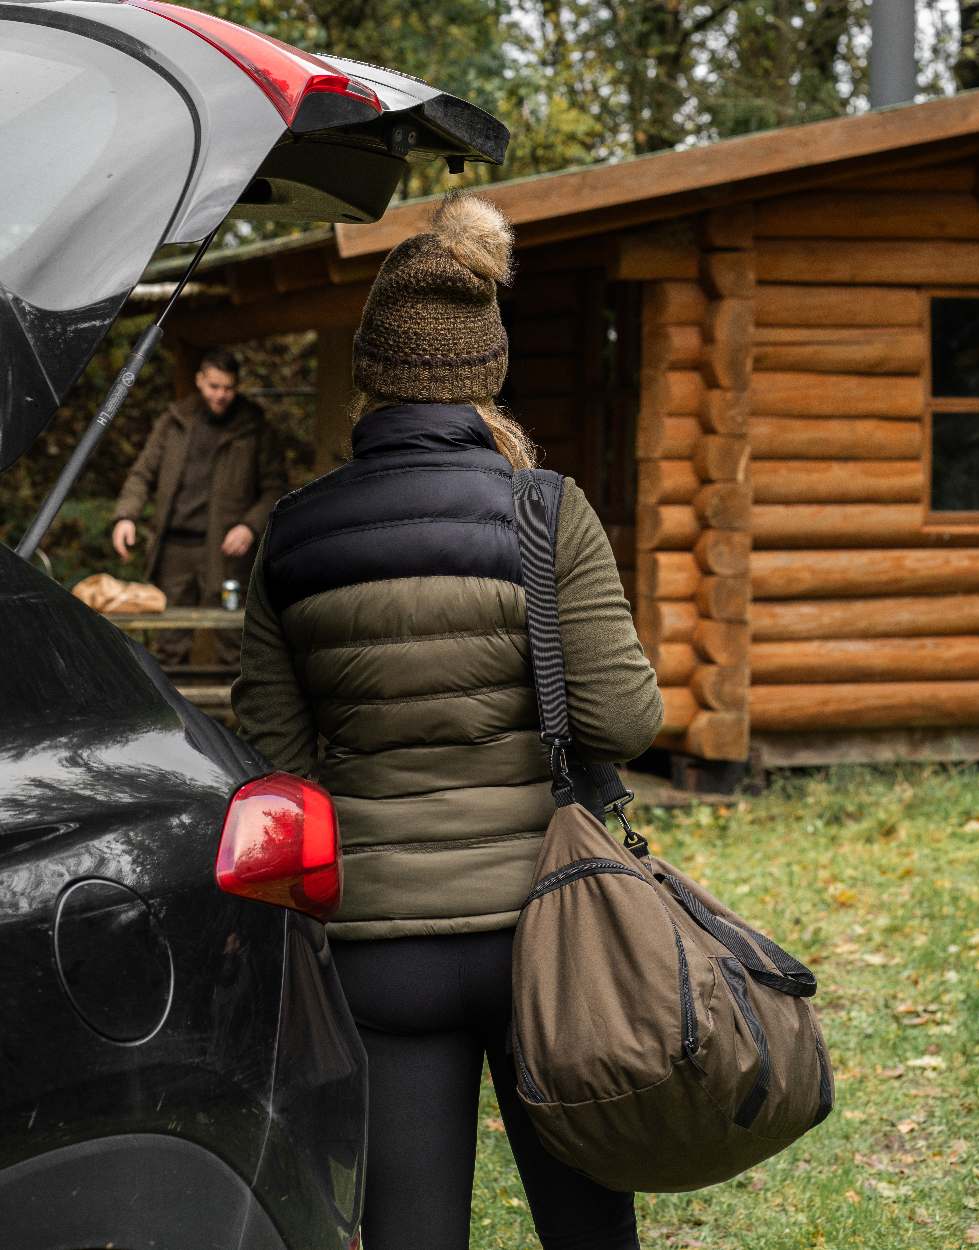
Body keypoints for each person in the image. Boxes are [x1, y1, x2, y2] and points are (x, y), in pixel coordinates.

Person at [232, 194, 663, 1250]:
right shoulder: (544, 510)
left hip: (378, 949)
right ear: (486, 372)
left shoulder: (293, 531)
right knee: (586, 1227)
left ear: (372, 371)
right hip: (547, 930)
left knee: (409, 1232)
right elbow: (626, 716)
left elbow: (275, 760)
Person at [111, 348, 285, 666]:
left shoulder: (253, 426)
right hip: (175, 549)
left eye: (229, 388)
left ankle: (231, 716)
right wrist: (126, 516)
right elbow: (142, 473)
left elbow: (275, 487)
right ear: (199, 381)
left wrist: (250, 525)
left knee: (234, 641)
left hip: (225, 551)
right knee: (169, 642)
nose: (221, 395)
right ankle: (171, 713)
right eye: (214, 386)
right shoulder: (174, 420)